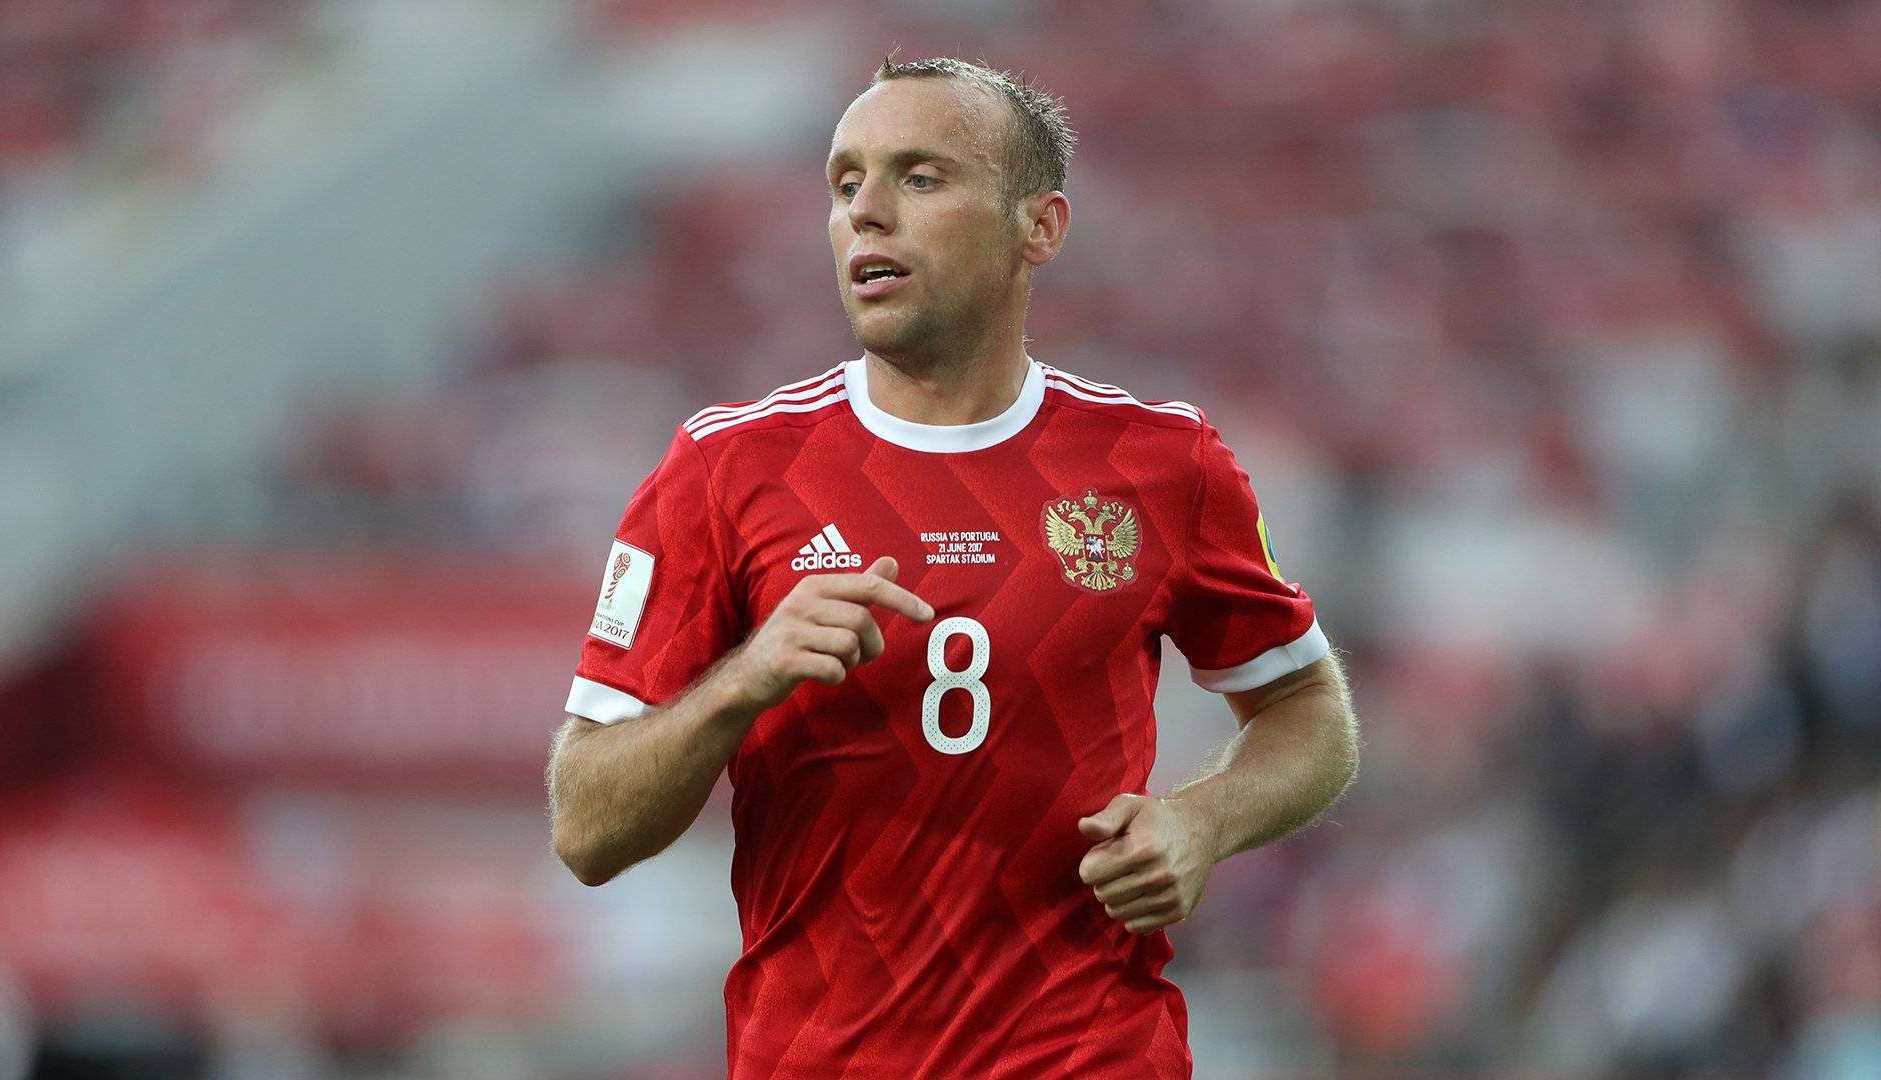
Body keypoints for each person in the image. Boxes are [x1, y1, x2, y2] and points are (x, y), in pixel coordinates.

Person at [546, 54, 1360, 1079]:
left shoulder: (1161, 464)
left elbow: (1310, 713)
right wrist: (743, 680)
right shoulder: (726, 467)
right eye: (846, 183)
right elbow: (586, 828)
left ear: (1039, 227)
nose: (866, 212)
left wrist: (1201, 821)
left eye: (920, 177)